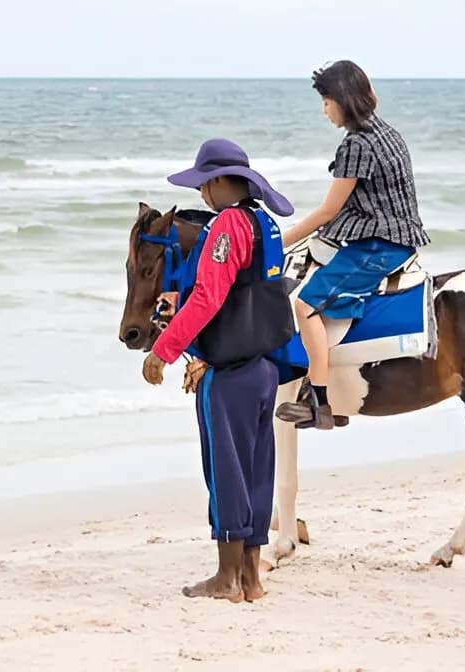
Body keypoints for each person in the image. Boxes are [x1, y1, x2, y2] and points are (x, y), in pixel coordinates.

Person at [141, 138, 299, 603]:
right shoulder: (263, 223)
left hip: (231, 371)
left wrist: (164, 350)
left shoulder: (227, 225)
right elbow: (247, 290)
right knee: (256, 471)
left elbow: (209, 297)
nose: (201, 194)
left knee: (225, 471)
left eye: (203, 185)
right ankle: (251, 578)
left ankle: (226, 578)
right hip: (265, 366)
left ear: (217, 182)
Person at [275, 60, 430, 430]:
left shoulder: (356, 145)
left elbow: (328, 211)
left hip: (380, 246)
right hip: (401, 235)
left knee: (305, 305)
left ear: (343, 100)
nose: (324, 110)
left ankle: (321, 403)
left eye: (327, 102)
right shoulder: (387, 132)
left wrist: (277, 244)